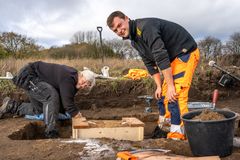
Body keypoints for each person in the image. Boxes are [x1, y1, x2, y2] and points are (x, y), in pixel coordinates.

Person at [107, 11, 200, 140]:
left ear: (127, 19)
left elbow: (160, 55)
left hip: (185, 53)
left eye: (119, 25)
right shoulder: (135, 42)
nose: (119, 31)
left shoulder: (146, 27)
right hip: (172, 60)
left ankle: (178, 135)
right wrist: (158, 86)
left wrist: (171, 86)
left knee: (175, 96)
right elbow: (150, 63)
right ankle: (166, 128)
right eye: (115, 30)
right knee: (163, 96)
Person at [0, 61, 96, 138]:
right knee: (51, 96)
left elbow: (65, 100)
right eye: (84, 82)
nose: (83, 86)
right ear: (81, 75)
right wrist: (76, 114)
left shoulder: (73, 81)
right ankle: (51, 130)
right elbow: (68, 104)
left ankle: (11, 105)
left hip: (37, 81)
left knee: (41, 109)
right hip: (30, 75)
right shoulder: (69, 77)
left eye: (85, 86)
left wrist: (68, 111)